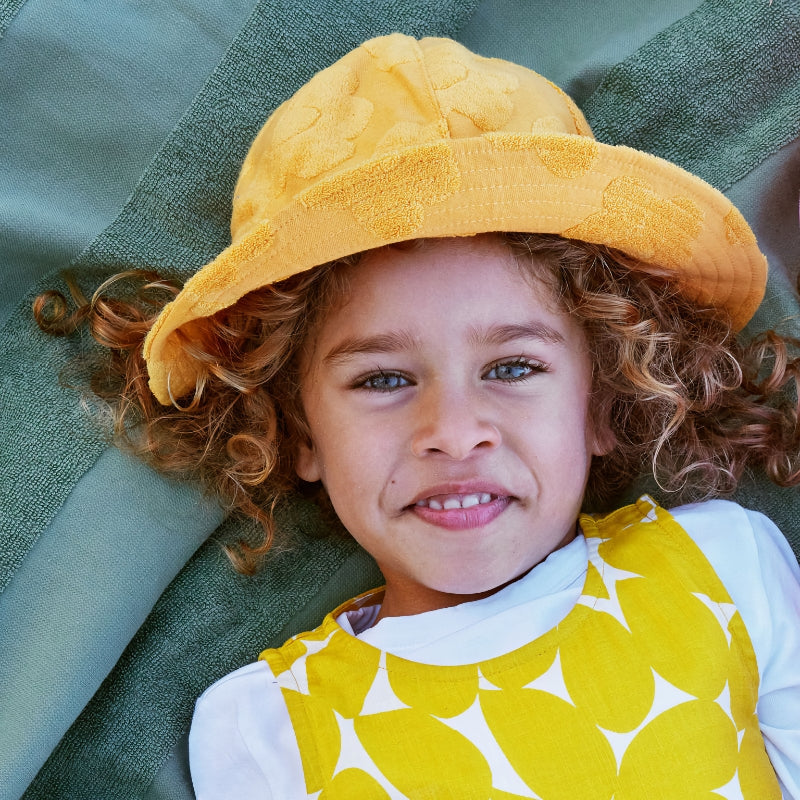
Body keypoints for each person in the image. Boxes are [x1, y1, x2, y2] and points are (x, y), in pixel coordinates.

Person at [35, 33, 800, 799]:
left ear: (603, 405)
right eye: (384, 379)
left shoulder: (724, 568)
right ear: (299, 434)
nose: (454, 430)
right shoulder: (264, 734)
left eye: (511, 368)